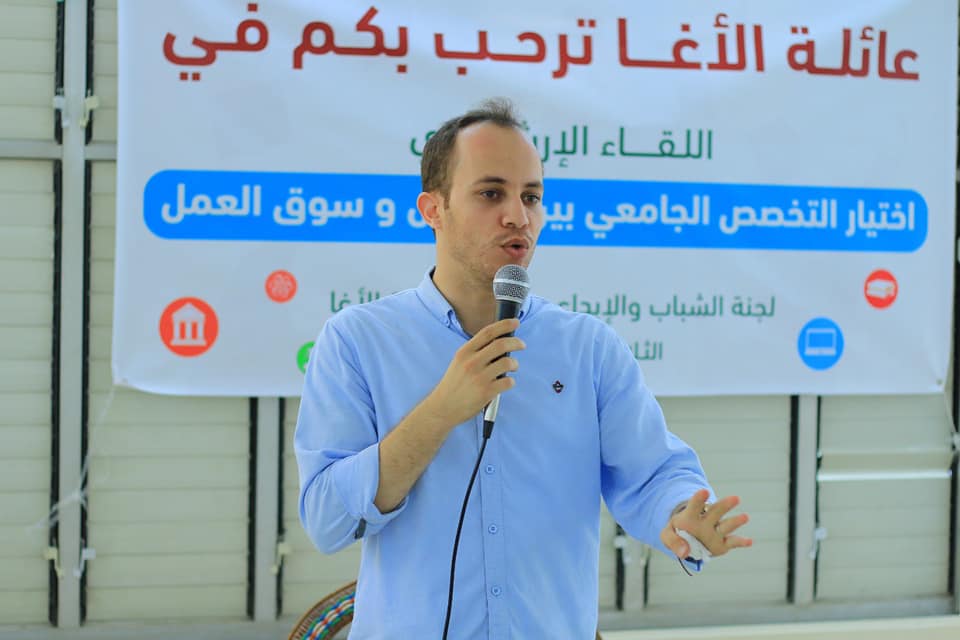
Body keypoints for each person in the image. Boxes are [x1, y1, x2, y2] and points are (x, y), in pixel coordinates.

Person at [295, 98, 751, 639]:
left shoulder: (587, 348)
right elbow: (327, 521)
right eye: (491, 193)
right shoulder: (357, 341)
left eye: (531, 197)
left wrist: (681, 515)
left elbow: (652, 472)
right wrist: (439, 413)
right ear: (432, 209)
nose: (518, 216)